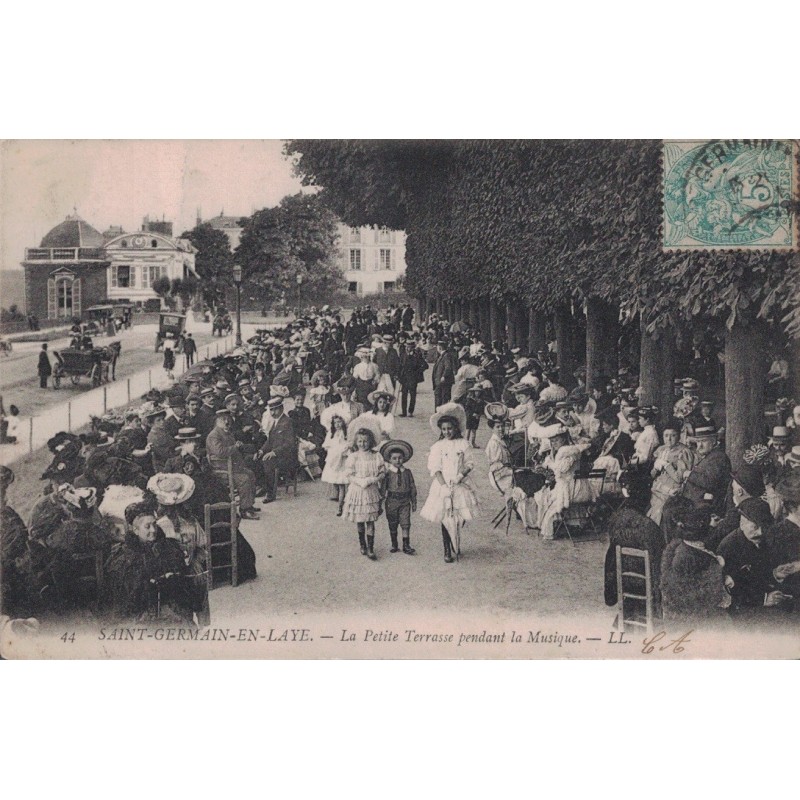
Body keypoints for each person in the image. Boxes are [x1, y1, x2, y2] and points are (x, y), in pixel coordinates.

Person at [604, 468, 667, 617]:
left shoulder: (615, 519)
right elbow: (658, 562)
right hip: (646, 586)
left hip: (623, 582)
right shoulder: (649, 527)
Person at [420, 403, 479, 563]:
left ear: (456, 428)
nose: (447, 432)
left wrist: (461, 475)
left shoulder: (463, 444)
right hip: (443, 485)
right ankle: (447, 548)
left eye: (450, 428)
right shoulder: (438, 446)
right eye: (444, 429)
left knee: (459, 516)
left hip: (459, 483)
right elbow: (435, 468)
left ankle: (455, 540)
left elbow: (469, 463)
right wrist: (444, 486)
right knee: (445, 516)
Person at [660, 506, 727, 625]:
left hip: (678, 610)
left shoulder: (683, 547)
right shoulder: (692, 556)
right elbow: (709, 594)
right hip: (692, 615)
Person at [717, 497, 774, 618]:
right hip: (744, 611)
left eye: (764, 527)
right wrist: (763, 599)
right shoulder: (729, 548)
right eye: (755, 527)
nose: (760, 532)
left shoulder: (767, 539)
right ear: (742, 524)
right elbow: (727, 590)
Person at [205, 410, 261, 519]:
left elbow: (231, 448)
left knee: (251, 474)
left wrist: (238, 445)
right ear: (217, 421)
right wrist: (235, 447)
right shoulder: (214, 435)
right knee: (244, 479)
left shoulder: (227, 433)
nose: (226, 422)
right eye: (223, 419)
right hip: (222, 470)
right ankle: (244, 511)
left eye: (227, 419)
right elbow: (220, 452)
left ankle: (248, 504)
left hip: (234, 467)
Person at [342, 427, 386, 560]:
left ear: (370, 442)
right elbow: (349, 474)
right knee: (360, 520)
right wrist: (359, 481)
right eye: (360, 441)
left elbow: (382, 472)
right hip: (357, 491)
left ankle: (371, 548)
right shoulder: (353, 456)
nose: (363, 444)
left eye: (365, 441)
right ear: (356, 442)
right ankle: (363, 545)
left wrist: (373, 479)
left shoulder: (376, 456)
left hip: (371, 491)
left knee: (370, 520)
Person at [647, 420, 695, 524]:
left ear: (678, 436)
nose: (669, 439)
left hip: (673, 489)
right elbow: (652, 475)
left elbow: (679, 478)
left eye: (673, 435)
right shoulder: (661, 449)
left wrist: (666, 465)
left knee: (661, 512)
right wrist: (656, 468)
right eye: (666, 435)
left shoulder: (683, 451)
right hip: (658, 487)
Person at [681, 423, 731, 515]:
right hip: (696, 504)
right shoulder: (710, 456)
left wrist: (689, 474)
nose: (699, 445)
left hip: (705, 507)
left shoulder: (718, 457)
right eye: (698, 441)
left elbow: (710, 482)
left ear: (713, 441)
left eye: (703, 441)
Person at [380, 439, 418, 555]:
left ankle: (406, 545)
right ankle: (394, 544)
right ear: (390, 460)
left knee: (405, 523)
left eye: (400, 458)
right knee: (393, 523)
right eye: (394, 458)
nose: (397, 460)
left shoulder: (407, 472)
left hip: (405, 501)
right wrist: (380, 502)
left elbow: (412, 486)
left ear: (404, 459)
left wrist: (414, 500)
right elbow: (383, 488)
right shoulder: (387, 473)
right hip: (391, 501)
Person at [257, 397, 298, 504]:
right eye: (271, 410)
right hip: (278, 455)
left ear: (282, 408)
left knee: (268, 462)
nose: (273, 412)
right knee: (254, 458)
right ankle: (262, 486)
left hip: (288, 457)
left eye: (275, 409)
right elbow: (269, 441)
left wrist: (274, 452)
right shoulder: (275, 422)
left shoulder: (288, 422)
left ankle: (270, 493)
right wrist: (261, 451)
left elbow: (289, 444)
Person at [321, 413, 351, 516]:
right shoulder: (331, 433)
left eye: (339, 422)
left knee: (342, 484)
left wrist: (344, 450)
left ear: (343, 422)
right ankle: (342, 501)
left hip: (343, 461)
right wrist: (334, 450)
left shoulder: (346, 433)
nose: (337, 424)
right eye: (335, 423)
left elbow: (349, 445)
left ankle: (340, 507)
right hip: (333, 460)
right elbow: (326, 446)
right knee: (336, 483)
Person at [397, 340, 428, 417]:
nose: (408, 348)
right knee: (404, 395)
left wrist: (417, 372)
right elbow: (399, 366)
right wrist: (398, 375)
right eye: (407, 346)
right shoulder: (403, 354)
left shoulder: (417, 355)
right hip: (404, 378)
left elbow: (425, 365)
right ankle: (404, 412)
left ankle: (410, 411)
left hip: (413, 379)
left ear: (413, 347)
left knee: (412, 395)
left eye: (410, 347)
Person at [431, 340, 456, 408]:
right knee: (440, 399)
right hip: (440, 382)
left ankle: (440, 416)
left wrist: (444, 376)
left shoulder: (446, 356)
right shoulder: (442, 355)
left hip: (443, 382)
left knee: (442, 400)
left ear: (440, 348)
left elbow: (448, 367)